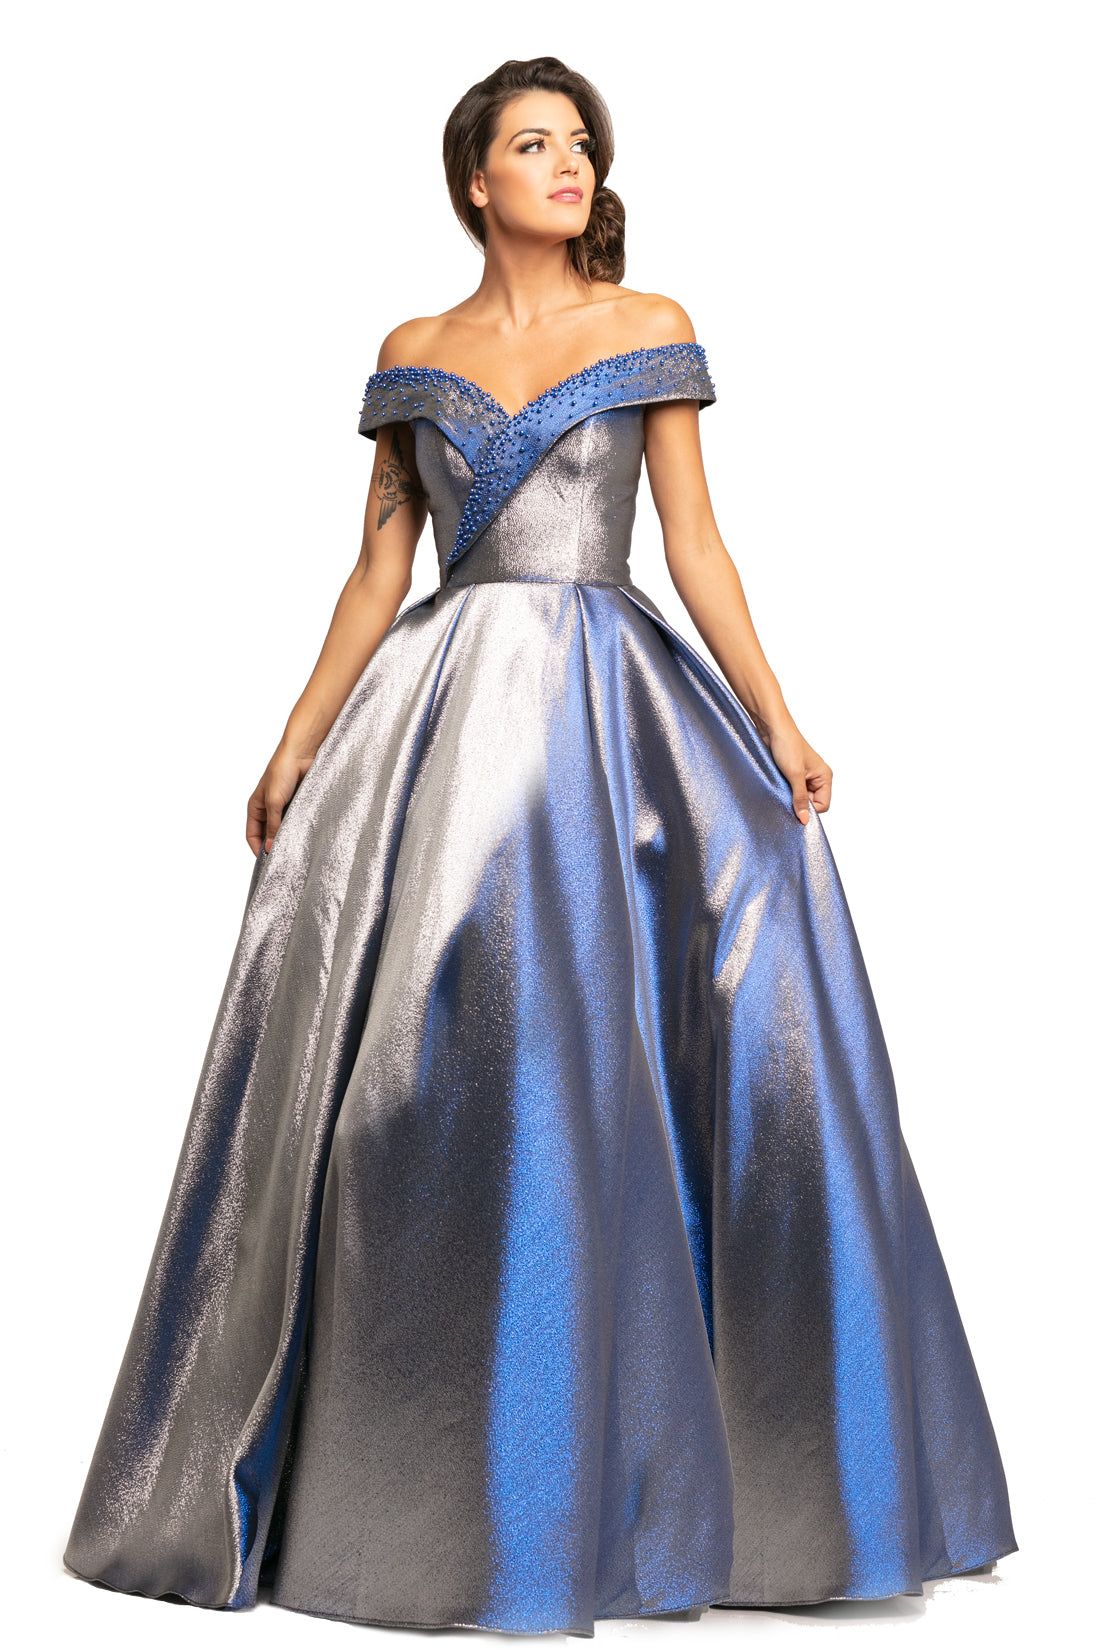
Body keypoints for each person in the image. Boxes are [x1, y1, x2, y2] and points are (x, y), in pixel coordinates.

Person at [62, 56, 1018, 1635]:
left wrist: (779, 720)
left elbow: (695, 544)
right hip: (442, 714)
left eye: (580, 143)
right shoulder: (412, 352)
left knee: (661, 1045)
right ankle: (426, 1476)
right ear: (475, 181)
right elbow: (377, 573)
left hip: (608, 704)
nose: (568, 164)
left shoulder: (647, 326)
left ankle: (691, 1484)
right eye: (532, 143)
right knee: (422, 1071)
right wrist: (295, 741)